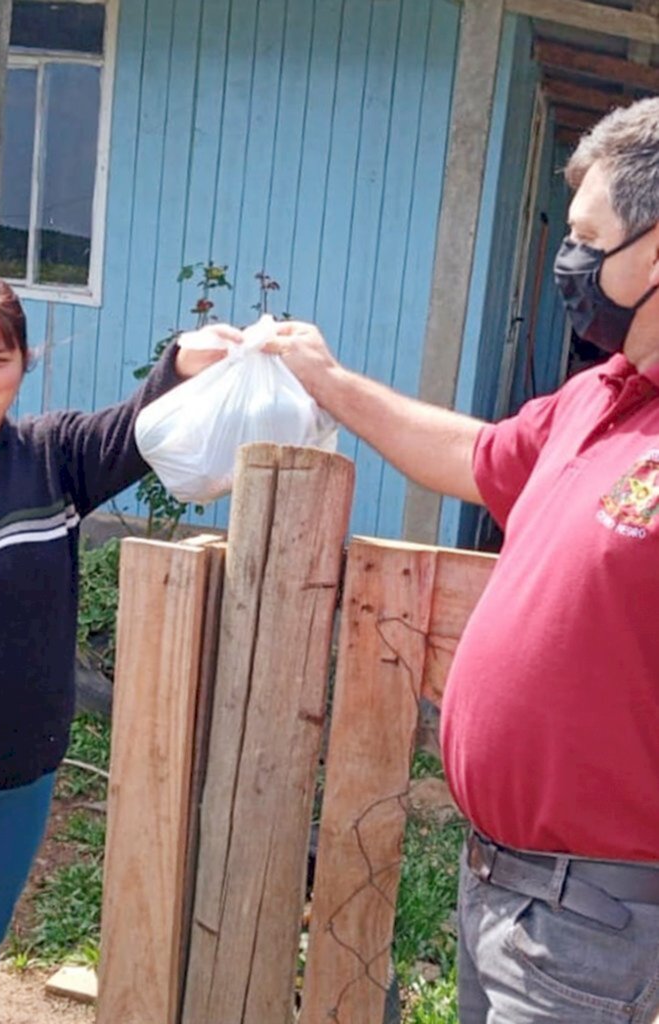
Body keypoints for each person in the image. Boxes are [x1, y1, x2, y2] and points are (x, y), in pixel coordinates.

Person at [266, 95, 659, 1023]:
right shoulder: (593, 399)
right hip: (501, 886)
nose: (569, 263)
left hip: (597, 913)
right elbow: (468, 456)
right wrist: (327, 380)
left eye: (588, 238)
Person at [0, 270, 240, 1024]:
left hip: (15, 776)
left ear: (26, 365)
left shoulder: (54, 459)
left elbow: (138, 426)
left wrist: (185, 359)